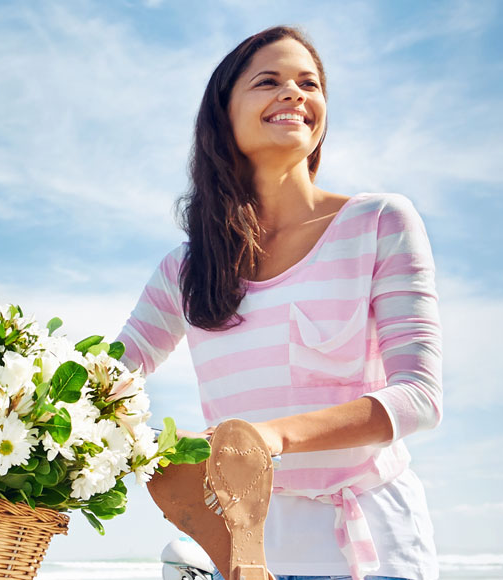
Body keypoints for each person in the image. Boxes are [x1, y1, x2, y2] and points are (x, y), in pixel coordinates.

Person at [113, 25, 444, 580]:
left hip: (374, 551)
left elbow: (419, 397)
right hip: (241, 555)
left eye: (308, 84)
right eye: (269, 81)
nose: (294, 94)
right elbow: (105, 379)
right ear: (223, 116)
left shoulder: (380, 222)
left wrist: (270, 437)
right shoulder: (186, 269)